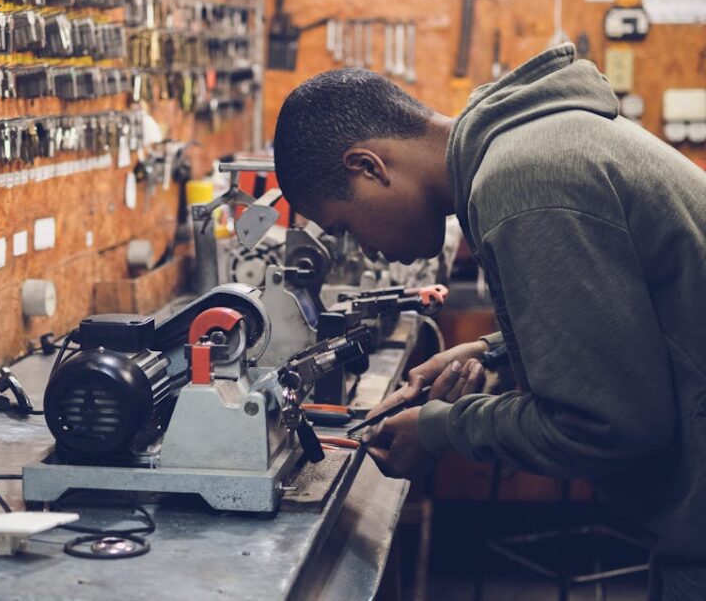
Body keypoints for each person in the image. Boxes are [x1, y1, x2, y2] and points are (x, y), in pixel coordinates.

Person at [271, 44, 706, 600]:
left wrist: (441, 430)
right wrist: (493, 350)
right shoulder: (533, 146)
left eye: (346, 228)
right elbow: (631, 315)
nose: (366, 251)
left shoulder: (523, 182)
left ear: (369, 166)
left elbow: (608, 423)